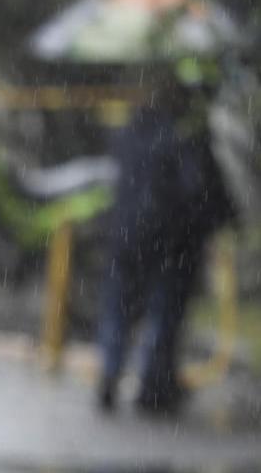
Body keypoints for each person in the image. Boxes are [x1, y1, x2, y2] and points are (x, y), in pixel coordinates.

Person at [94, 58, 234, 416]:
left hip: (125, 234)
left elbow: (119, 179)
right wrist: (213, 219)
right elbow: (196, 189)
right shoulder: (183, 136)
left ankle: (109, 374)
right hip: (169, 240)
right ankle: (153, 387)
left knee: (119, 307)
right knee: (163, 310)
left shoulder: (130, 129)